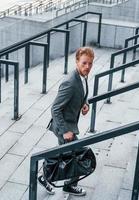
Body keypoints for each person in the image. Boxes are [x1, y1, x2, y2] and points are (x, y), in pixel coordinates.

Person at [38, 47, 94, 196]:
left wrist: (85, 104)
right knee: (77, 155)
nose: (87, 67)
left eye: (90, 63)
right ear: (77, 62)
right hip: (63, 127)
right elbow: (55, 109)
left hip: (68, 125)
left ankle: (46, 178)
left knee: (65, 156)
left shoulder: (82, 76)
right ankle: (66, 184)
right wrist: (65, 131)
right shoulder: (70, 82)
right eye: (84, 63)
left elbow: (82, 93)